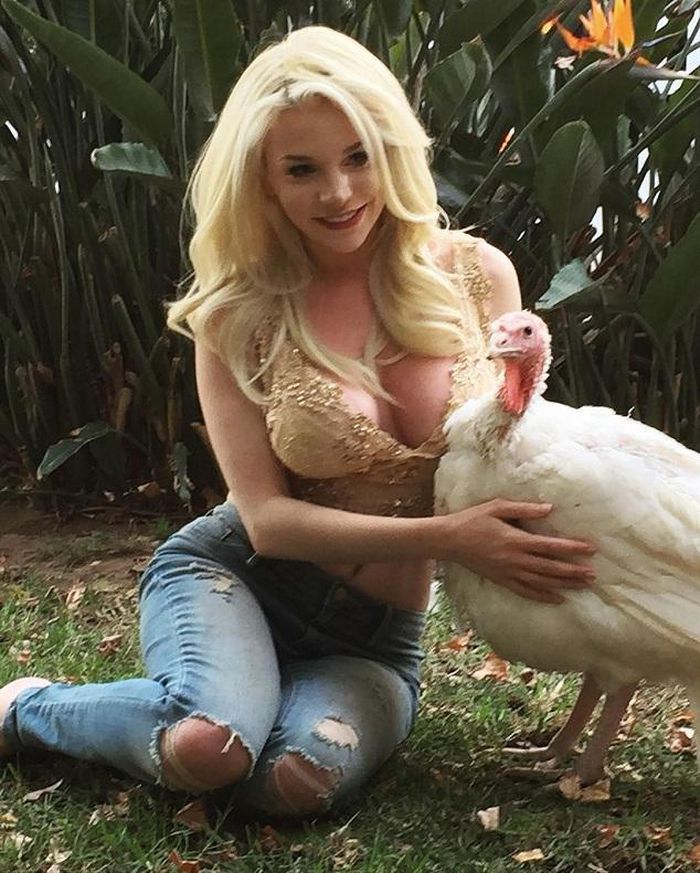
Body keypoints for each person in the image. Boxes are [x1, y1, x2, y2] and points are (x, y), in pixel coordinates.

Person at [0, 26, 596, 818]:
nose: (340, 193)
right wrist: (452, 537)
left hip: (375, 637)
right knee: (208, 746)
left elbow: (517, 441)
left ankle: (243, 703)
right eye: (302, 169)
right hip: (237, 577)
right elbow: (268, 520)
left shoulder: (480, 277)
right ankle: (28, 707)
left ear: (390, 149)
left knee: (293, 782)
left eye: (357, 156)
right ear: (264, 181)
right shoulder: (236, 313)